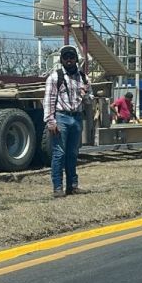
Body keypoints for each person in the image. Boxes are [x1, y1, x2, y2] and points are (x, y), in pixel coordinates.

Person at [44, 45, 91, 197]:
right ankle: (58, 188)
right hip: (61, 117)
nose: (69, 60)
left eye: (71, 57)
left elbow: (90, 100)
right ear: (61, 60)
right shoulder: (55, 77)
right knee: (59, 153)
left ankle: (72, 186)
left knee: (72, 153)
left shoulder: (83, 77)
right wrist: (51, 121)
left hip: (76, 117)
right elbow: (49, 100)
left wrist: (86, 94)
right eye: (66, 57)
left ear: (76, 59)